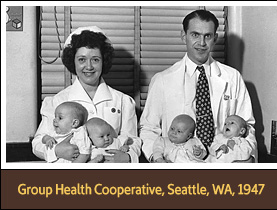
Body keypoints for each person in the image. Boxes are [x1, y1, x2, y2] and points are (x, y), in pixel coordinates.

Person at [139, 9, 257, 163]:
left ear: (214, 38)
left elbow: (247, 126)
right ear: (184, 36)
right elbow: (148, 129)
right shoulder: (162, 80)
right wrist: (157, 159)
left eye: (207, 36)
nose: (201, 43)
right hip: (178, 163)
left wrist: (247, 159)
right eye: (195, 35)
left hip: (224, 162)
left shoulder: (232, 77)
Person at [32, 26, 141, 163]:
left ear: (104, 61)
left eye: (95, 60)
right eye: (82, 60)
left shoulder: (123, 100)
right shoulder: (58, 100)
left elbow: (133, 139)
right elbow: (38, 142)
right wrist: (56, 150)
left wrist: (127, 157)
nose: (88, 67)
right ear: (73, 62)